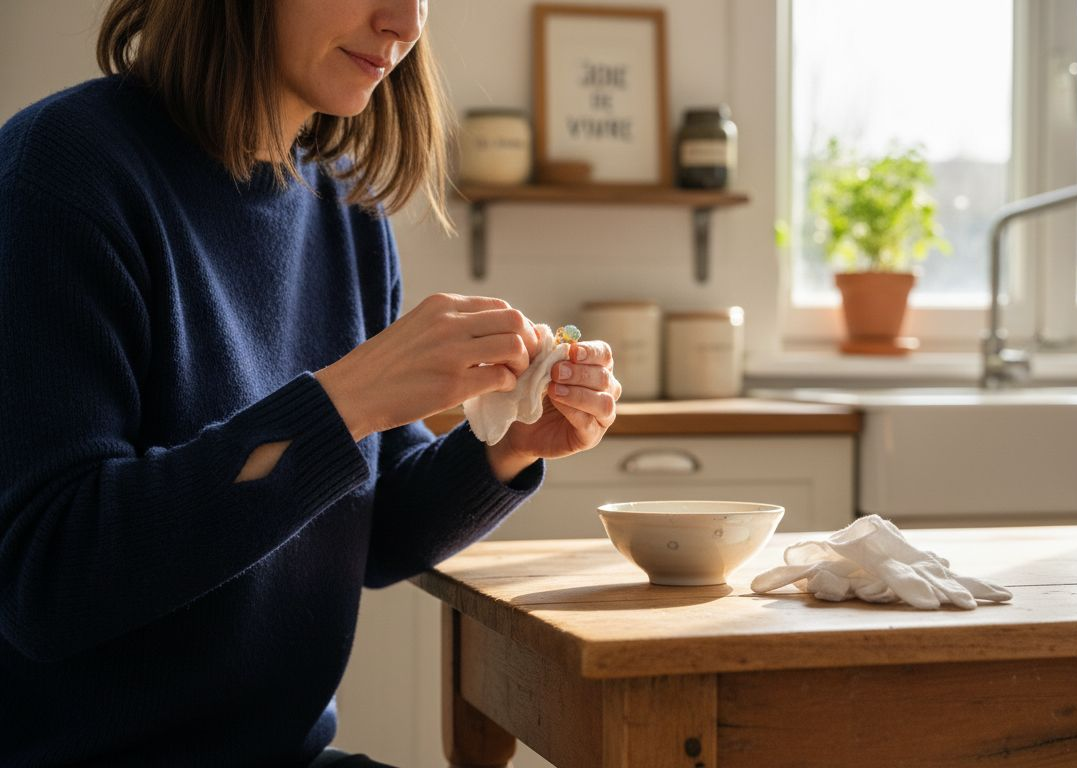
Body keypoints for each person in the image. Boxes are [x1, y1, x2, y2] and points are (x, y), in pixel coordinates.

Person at [0, 1, 621, 765]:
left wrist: (505, 445)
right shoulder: (60, 171)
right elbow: (47, 584)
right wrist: (347, 398)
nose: (407, 23)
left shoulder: (345, 206)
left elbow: (374, 533)